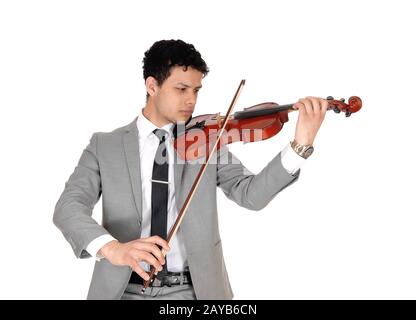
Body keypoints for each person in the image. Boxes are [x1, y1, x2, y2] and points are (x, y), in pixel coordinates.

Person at [53, 39, 328, 300]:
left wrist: (299, 145)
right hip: (121, 290)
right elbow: (69, 207)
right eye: (181, 89)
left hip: (194, 291)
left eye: (196, 91)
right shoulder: (105, 145)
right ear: (152, 86)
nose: (191, 101)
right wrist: (113, 249)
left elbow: (250, 195)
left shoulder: (207, 139)